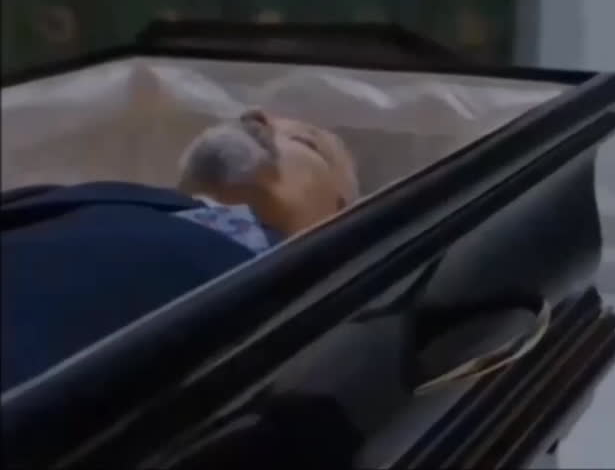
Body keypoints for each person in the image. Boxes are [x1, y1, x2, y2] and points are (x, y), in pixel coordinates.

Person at [1, 109, 359, 392]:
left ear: (336, 213)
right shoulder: (65, 196)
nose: (258, 117)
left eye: (305, 141)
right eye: (247, 119)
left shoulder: (296, 334)